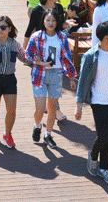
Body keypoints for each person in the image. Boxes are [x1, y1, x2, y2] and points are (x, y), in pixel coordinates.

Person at [75, 20, 108, 184]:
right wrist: (79, 106)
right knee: (104, 137)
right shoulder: (91, 56)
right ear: (106, 38)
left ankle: (104, 169)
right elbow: (83, 81)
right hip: (100, 103)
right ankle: (93, 154)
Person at [25, 9, 77, 148]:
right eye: (48, 20)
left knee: (52, 108)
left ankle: (48, 135)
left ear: (57, 22)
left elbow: (67, 58)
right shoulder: (36, 36)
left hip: (56, 74)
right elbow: (27, 54)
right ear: (43, 21)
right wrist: (36, 60)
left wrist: (71, 77)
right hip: (39, 74)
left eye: (53, 20)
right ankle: (37, 126)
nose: (51, 23)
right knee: (40, 108)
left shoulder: (62, 37)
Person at [0, 16, 26, 149]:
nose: (0, 30)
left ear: (9, 29)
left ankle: (7, 134)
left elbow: (24, 57)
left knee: (12, 110)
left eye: (3, 27)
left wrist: (36, 58)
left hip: (10, 79)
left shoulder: (15, 44)